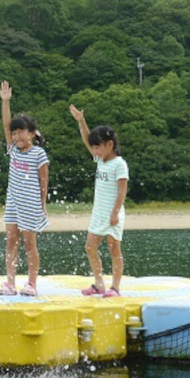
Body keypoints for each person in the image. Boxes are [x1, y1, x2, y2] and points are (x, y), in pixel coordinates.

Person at [68, 104, 129, 298]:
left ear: (110, 144)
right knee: (90, 246)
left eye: (98, 146)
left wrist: (115, 213)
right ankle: (99, 283)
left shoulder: (119, 164)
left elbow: (122, 190)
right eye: (93, 147)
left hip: (113, 213)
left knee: (113, 247)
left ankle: (116, 287)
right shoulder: (100, 160)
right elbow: (87, 139)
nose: (94, 150)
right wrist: (81, 121)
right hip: (99, 212)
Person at [0, 80, 49, 297]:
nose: (17, 137)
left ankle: (31, 284)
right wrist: (6, 102)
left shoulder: (39, 154)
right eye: (14, 133)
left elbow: (44, 182)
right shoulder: (13, 150)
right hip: (13, 203)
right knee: (11, 241)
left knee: (29, 244)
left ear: (32, 133)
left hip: (31, 204)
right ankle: (10, 283)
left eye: (21, 133)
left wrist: (43, 206)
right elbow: (5, 123)